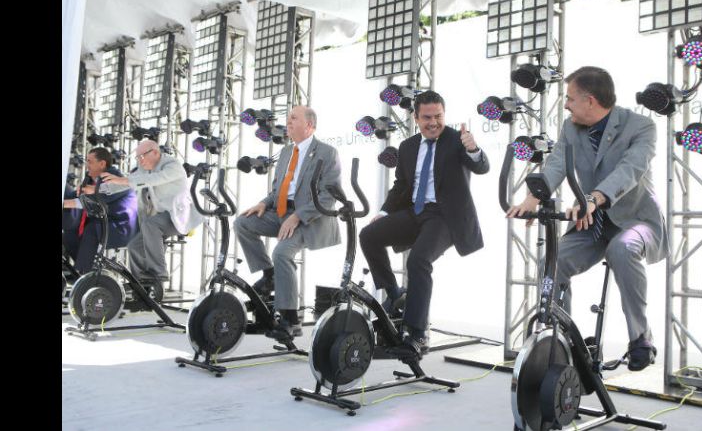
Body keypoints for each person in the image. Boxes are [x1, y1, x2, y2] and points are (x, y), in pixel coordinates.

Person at [507, 66, 669, 371]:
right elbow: (557, 163)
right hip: (590, 222)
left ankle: (641, 339)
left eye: (569, 98)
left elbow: (630, 170)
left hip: (635, 220)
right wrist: (533, 197)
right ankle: (562, 340)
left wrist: (592, 199)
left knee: (621, 248)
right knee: (551, 263)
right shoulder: (571, 127)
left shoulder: (641, 126)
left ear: (590, 101)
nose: (566, 105)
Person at [359, 90, 489, 357]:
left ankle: (417, 334)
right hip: (415, 212)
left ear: (444, 115)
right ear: (416, 118)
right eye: (427, 117)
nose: (433, 123)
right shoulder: (407, 147)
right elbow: (401, 186)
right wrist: (383, 213)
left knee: (418, 260)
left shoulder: (457, 140)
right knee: (368, 235)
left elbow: (481, 167)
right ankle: (395, 293)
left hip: (445, 217)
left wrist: (473, 148)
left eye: (438, 116)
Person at [234, 105, 341, 340]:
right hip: (281, 212)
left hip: (310, 218)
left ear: (310, 125)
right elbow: (277, 190)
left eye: (294, 118)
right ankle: (269, 275)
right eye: (288, 118)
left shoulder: (327, 152)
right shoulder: (285, 153)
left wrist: (297, 216)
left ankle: (291, 320)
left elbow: (328, 195)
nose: (288, 122)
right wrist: (263, 203)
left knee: (282, 252)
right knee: (243, 223)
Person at [101, 140, 202, 284]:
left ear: (155, 152)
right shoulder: (145, 169)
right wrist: (100, 189)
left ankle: (158, 273)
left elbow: (152, 179)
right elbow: (127, 183)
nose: (140, 161)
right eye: (138, 158)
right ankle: (140, 283)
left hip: (180, 216)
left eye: (142, 156)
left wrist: (123, 180)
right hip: (162, 217)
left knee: (150, 225)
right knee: (134, 246)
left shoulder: (172, 166)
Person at [62, 147, 138, 275]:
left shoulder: (114, 178)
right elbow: (80, 196)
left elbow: (94, 200)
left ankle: (86, 274)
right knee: (70, 234)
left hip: (121, 225)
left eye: (90, 162)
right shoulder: (92, 178)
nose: (87, 165)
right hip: (103, 220)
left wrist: (66, 203)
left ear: (102, 164)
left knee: (91, 230)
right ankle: (80, 272)